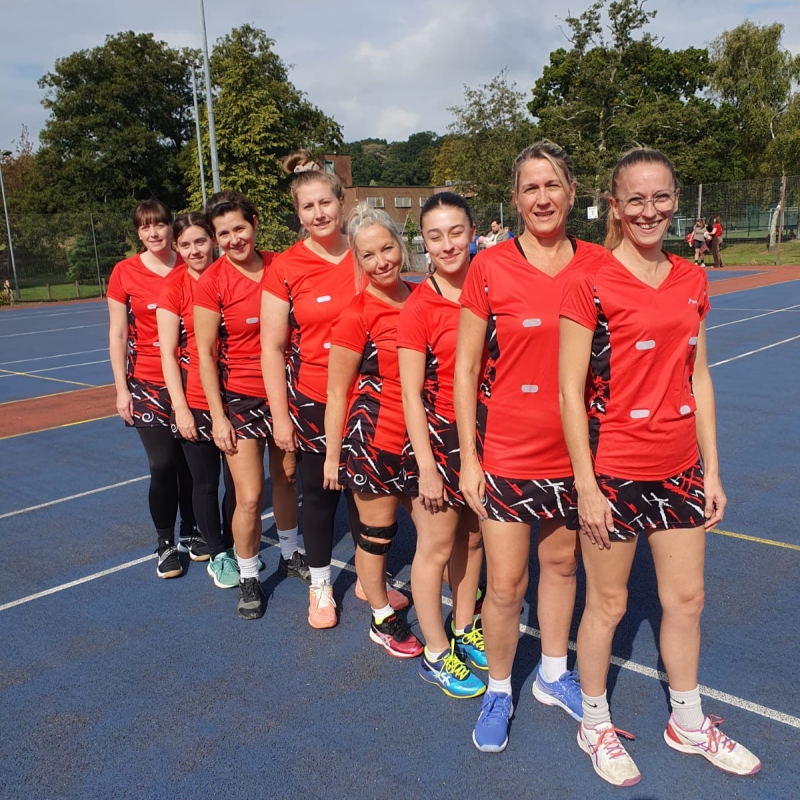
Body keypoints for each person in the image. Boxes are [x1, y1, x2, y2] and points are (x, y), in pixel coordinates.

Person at [559, 147, 760, 787]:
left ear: (676, 200)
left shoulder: (692, 278)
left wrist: (713, 471)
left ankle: (688, 722)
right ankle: (594, 722)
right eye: (636, 199)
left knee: (687, 599)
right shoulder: (588, 280)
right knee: (609, 604)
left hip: (679, 468)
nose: (650, 211)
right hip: (613, 469)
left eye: (661, 197)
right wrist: (586, 485)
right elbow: (568, 392)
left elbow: (698, 377)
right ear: (615, 206)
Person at [455, 141, 608, 753]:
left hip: (576, 452)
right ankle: (499, 689)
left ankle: (551, 672)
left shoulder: (599, 263)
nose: (542, 198)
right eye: (530, 188)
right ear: (515, 199)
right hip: (509, 450)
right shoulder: (489, 267)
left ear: (571, 192)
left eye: (552, 185)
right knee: (506, 583)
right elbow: (466, 370)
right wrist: (469, 459)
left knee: (563, 566)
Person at [263, 151, 398, 630]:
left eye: (326, 202)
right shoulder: (285, 266)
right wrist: (280, 416)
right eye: (308, 206)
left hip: (372, 400)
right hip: (315, 399)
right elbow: (271, 347)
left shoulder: (363, 252)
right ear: (298, 213)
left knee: (367, 495)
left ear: (342, 203)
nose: (319, 213)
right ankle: (320, 587)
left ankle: (369, 578)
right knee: (321, 495)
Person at [194, 190, 304, 622]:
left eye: (239, 228)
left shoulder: (282, 266)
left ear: (255, 224)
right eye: (223, 234)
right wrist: (218, 416)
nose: (234, 239)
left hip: (287, 390)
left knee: (287, 477)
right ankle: (248, 575)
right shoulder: (212, 281)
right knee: (250, 496)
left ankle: (291, 553)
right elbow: (205, 354)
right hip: (239, 396)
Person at [323, 205, 423, 659]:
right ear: (357, 261)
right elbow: (336, 391)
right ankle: (382, 618)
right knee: (377, 535)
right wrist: (332, 456)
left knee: (439, 535)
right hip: (376, 439)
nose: (382, 261)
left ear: (400, 245)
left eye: (387, 248)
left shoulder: (424, 296)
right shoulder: (356, 314)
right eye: (368, 255)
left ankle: (465, 613)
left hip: (425, 439)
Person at [398, 191, 486, 698]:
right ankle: (435, 652)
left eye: (456, 232)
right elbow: (410, 393)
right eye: (436, 236)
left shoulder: (490, 287)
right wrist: (427, 467)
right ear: (424, 243)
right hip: (437, 440)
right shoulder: (419, 306)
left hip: (485, 435)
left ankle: (464, 625)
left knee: (472, 540)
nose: (448, 244)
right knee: (434, 548)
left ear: (472, 232)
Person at [107, 199, 197, 579]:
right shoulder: (124, 272)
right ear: (138, 233)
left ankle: (192, 530)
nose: (153, 232)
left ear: (170, 227)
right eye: (145, 227)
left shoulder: (190, 265)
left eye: (159, 224)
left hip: (190, 379)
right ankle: (165, 542)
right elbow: (118, 334)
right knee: (162, 464)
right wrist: (121, 389)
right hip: (146, 381)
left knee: (191, 465)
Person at [157, 213, 239, 589]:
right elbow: (168, 353)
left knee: (240, 485)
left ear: (213, 241)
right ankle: (218, 554)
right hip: (196, 400)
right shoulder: (174, 288)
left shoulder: (231, 275)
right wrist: (181, 409)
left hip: (237, 396)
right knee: (206, 482)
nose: (194, 251)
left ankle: (235, 545)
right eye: (186, 244)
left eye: (201, 241)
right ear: (177, 247)